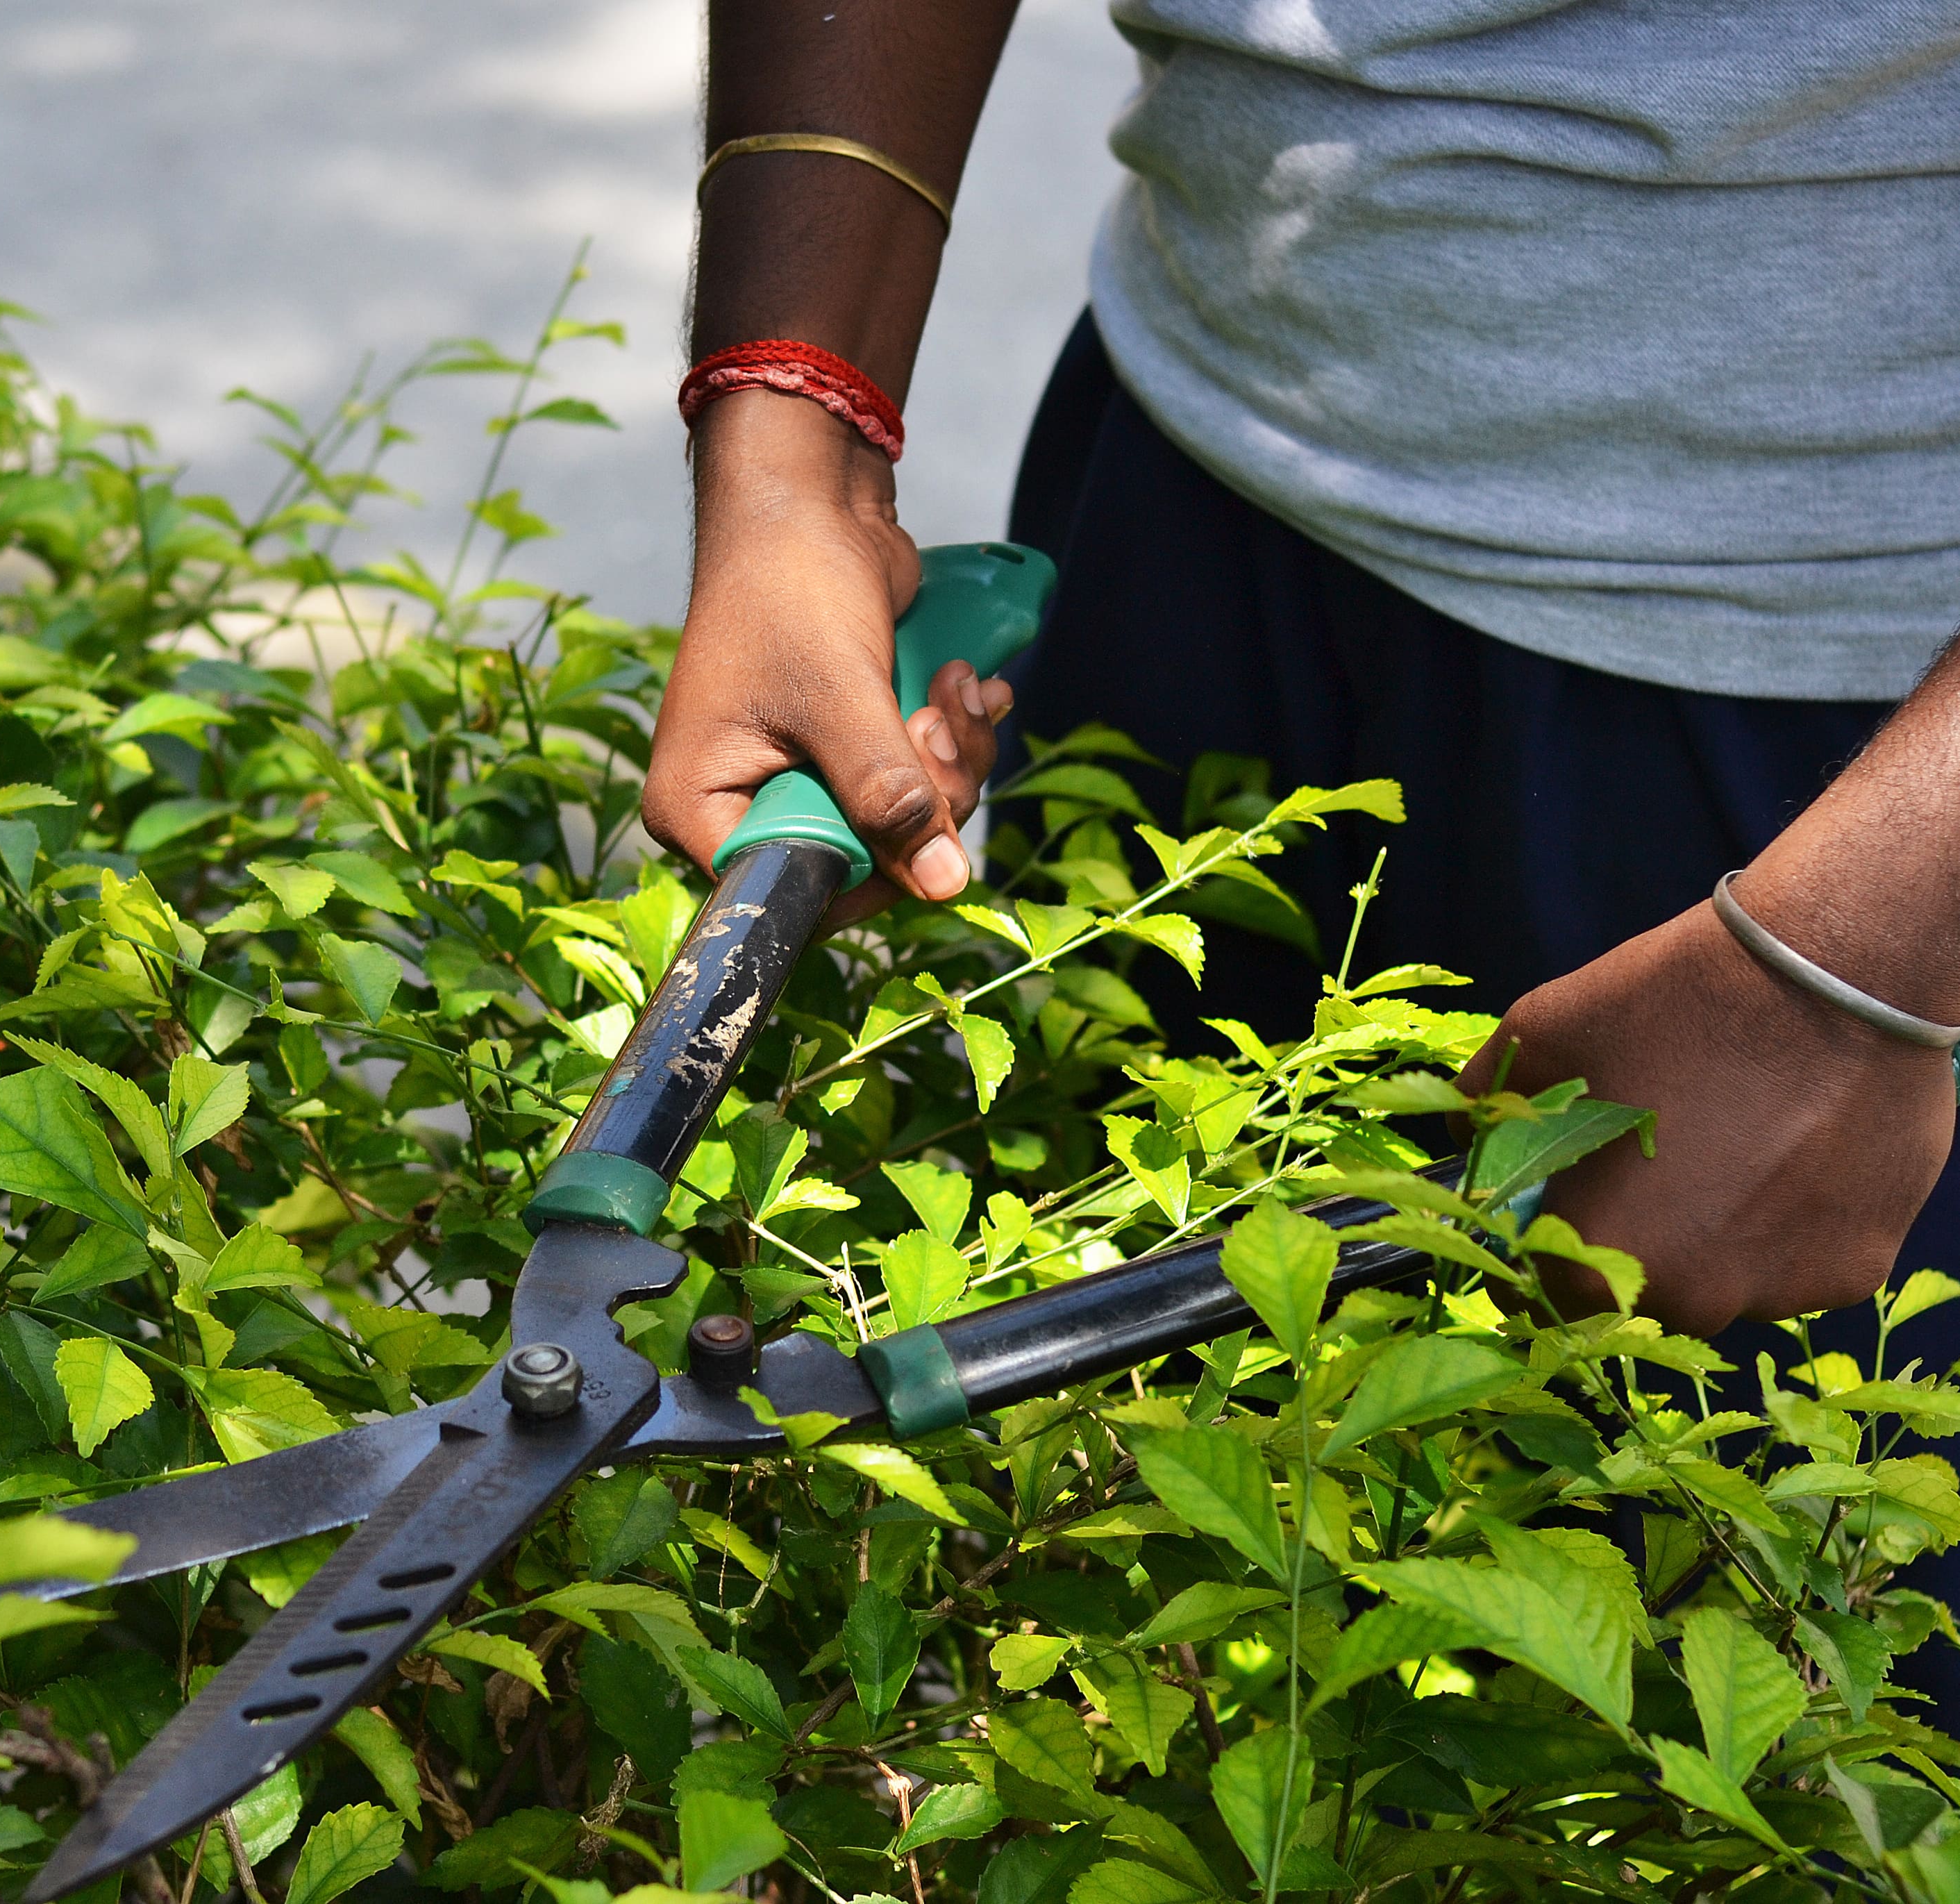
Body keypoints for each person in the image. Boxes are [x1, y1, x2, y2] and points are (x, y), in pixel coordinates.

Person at [643, 2, 1960, 1353]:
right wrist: (791, 449)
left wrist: (1877, 940)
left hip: (1830, 745)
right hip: (1187, 473)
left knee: (1743, 1511)